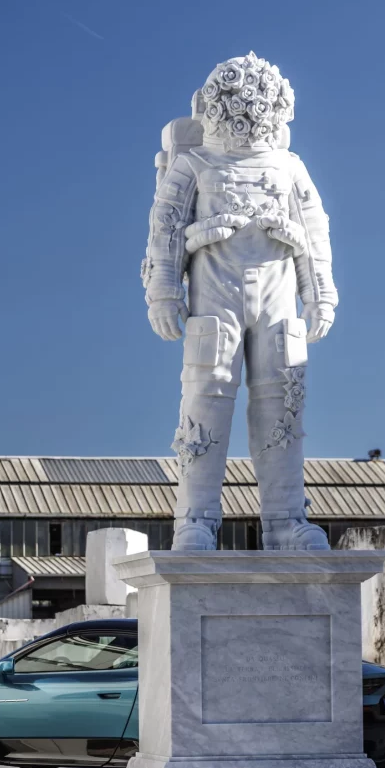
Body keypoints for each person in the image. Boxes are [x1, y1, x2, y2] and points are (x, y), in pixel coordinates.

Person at [142, 52, 338, 551]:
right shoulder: (194, 164)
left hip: (276, 301)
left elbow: (316, 232)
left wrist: (320, 295)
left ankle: (286, 520)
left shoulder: (290, 167)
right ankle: (196, 519)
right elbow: (164, 229)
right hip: (215, 297)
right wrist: (164, 291)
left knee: (283, 403)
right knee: (206, 399)